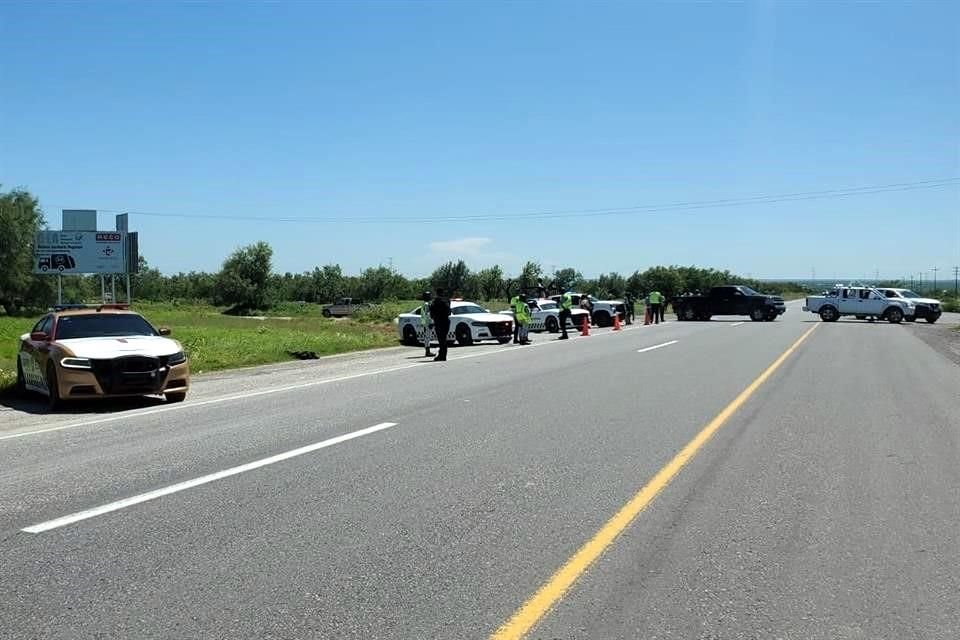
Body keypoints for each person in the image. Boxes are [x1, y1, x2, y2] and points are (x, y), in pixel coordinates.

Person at [430, 287, 452, 361]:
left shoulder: (435, 301)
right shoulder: (447, 300)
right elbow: (449, 312)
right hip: (446, 321)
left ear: (437, 293)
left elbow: (432, 314)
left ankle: (442, 355)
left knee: (441, 340)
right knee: (444, 339)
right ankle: (443, 355)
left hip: (439, 322)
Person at [420, 291, 434, 357]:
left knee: (427, 337)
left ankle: (427, 351)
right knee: (427, 337)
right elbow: (428, 314)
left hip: (425, 322)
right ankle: (427, 352)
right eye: (429, 295)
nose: (431, 296)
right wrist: (431, 322)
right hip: (428, 322)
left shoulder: (424, 304)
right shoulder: (427, 304)